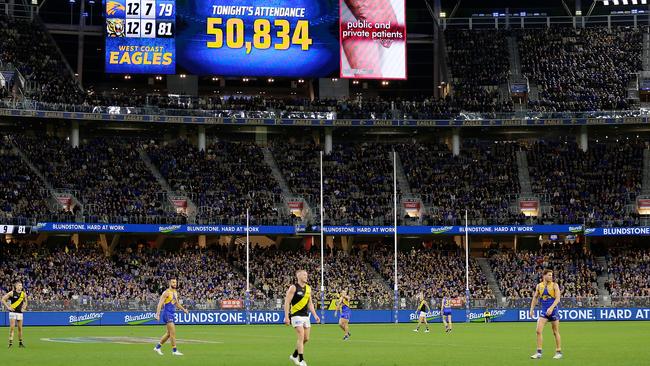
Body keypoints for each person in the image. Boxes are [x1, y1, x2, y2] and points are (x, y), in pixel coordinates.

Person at [285, 269, 321, 366]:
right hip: (296, 315)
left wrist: (315, 315)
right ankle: (301, 360)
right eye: (304, 275)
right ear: (298, 276)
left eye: (306, 274)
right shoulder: (293, 287)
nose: (306, 276)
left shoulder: (308, 288)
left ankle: (294, 355)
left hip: (305, 316)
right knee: (301, 336)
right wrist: (286, 317)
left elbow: (310, 304)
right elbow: (287, 302)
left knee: (306, 338)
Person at [530, 269, 562, 360]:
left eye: (551, 275)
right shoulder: (539, 286)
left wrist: (551, 308)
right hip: (544, 311)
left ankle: (559, 352)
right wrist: (531, 309)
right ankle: (539, 352)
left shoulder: (555, 285)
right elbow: (535, 298)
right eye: (549, 275)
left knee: (555, 332)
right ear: (544, 276)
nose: (551, 277)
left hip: (553, 311)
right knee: (538, 331)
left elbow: (558, 299)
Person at [153, 279, 189, 356]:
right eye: (173, 282)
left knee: (169, 334)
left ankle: (157, 347)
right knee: (173, 332)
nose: (175, 284)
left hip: (172, 314)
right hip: (167, 314)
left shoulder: (175, 292)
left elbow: (177, 304)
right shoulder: (166, 293)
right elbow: (160, 304)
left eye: (176, 282)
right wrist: (157, 314)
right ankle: (174, 350)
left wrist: (184, 310)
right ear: (169, 283)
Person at [2, 282, 27, 348]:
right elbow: (3, 299)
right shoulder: (12, 293)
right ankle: (10, 343)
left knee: (20, 328)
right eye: (19, 285)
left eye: (21, 285)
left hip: (19, 313)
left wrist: (24, 308)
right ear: (16, 286)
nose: (20, 286)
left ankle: (20, 343)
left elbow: (26, 301)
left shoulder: (23, 294)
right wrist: (8, 307)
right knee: (12, 327)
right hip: (12, 312)